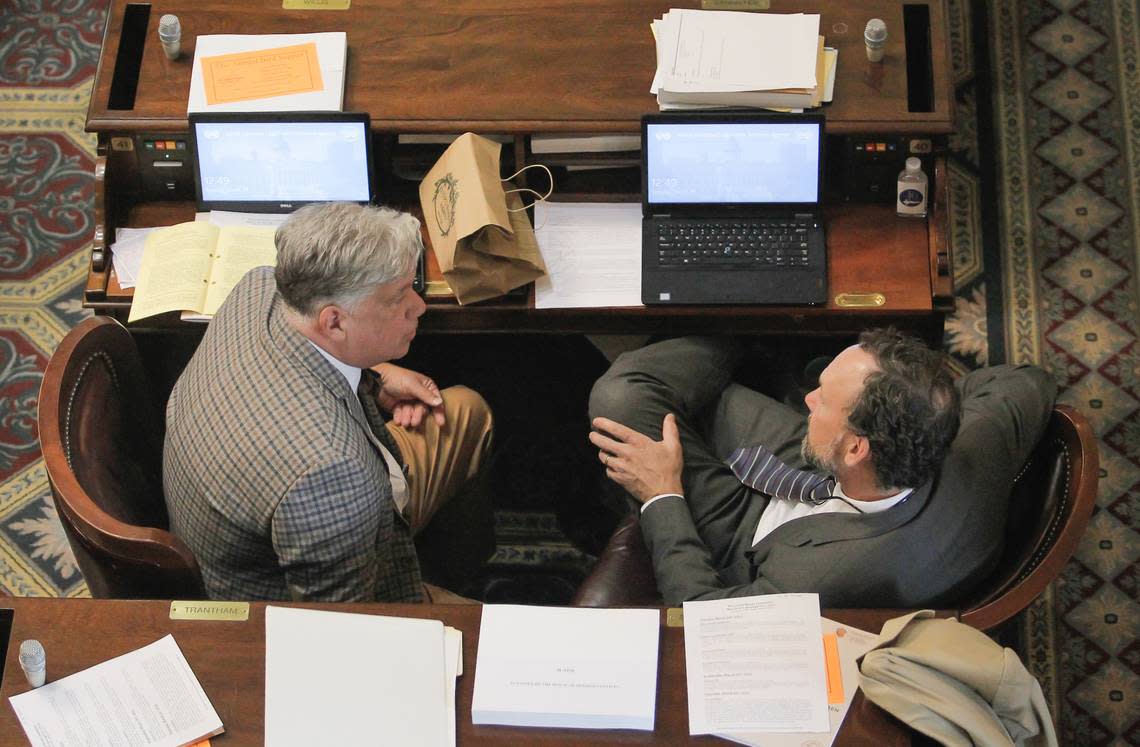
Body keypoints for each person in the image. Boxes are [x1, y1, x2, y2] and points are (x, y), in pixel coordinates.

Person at [164, 202, 493, 603]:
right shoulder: (334, 477)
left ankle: (451, 569)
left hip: (255, 505)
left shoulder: (260, 287)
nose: (419, 306)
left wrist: (375, 378)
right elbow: (337, 631)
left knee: (465, 412)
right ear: (334, 322)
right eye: (398, 296)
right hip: (278, 618)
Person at [587, 331, 1056, 608]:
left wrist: (661, 494)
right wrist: (923, 404)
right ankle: (738, 329)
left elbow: (700, 613)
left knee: (622, 399)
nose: (808, 398)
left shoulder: (818, 575)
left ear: (855, 446)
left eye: (823, 399)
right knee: (660, 393)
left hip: (745, 536)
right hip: (821, 477)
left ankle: (731, 331)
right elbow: (1027, 380)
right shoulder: (975, 440)